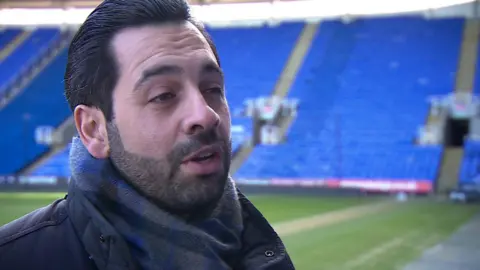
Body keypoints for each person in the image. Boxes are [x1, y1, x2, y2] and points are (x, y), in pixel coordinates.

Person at [0, 0, 294, 269]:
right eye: (163, 95)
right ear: (94, 130)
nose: (206, 114)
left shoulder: (262, 253)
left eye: (213, 89)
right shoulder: (16, 259)